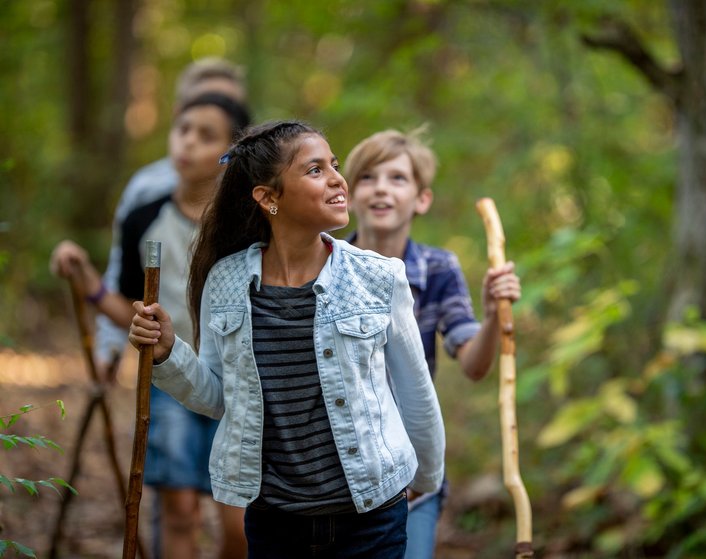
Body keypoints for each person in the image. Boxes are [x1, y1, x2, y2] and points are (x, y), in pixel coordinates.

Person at [126, 120, 446, 559]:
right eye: (315, 170)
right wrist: (168, 353)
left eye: (334, 165)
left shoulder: (378, 277)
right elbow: (220, 397)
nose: (338, 179)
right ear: (269, 197)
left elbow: (416, 392)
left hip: (372, 515)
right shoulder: (227, 281)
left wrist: (425, 482)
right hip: (275, 520)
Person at [51, 93, 252, 559]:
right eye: (183, 130)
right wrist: (87, 282)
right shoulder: (145, 217)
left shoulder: (249, 226)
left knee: (239, 525)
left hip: (242, 383)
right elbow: (129, 308)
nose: (187, 143)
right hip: (168, 379)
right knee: (178, 510)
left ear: (232, 152)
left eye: (207, 136)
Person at [342, 128, 522, 559]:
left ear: (421, 199)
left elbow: (474, 365)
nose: (382, 188)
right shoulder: (327, 265)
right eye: (368, 177)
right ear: (348, 196)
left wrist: (494, 313)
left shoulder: (439, 268)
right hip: (341, 471)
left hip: (412, 472)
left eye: (397, 178)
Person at [95, 57, 248, 364]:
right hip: (170, 366)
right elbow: (121, 278)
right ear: (178, 113)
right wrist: (108, 349)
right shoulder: (145, 193)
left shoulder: (251, 211)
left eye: (225, 105)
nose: (190, 142)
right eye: (186, 126)